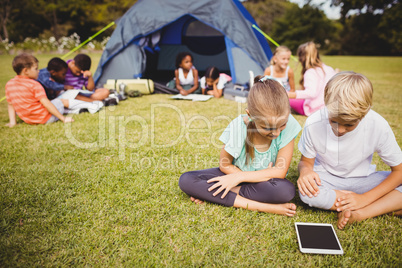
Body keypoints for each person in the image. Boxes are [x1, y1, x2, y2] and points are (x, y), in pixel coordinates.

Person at [179, 76, 302, 216]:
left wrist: (240, 178)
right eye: (267, 128)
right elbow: (224, 164)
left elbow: (279, 171)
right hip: (245, 177)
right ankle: (267, 207)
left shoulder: (289, 125)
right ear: (250, 115)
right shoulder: (238, 127)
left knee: (285, 190)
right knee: (186, 180)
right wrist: (241, 176)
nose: (276, 132)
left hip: (260, 182)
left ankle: (217, 193)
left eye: (282, 125)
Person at [297, 71, 402, 229]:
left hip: (363, 180)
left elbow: (399, 171)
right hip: (326, 180)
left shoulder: (378, 125)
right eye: (334, 121)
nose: (339, 130)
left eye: (349, 125)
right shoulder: (313, 122)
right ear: (326, 104)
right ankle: (377, 207)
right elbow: (305, 162)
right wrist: (305, 172)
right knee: (307, 193)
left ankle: (361, 212)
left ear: (364, 113)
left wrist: (364, 199)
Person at [5, 53, 74, 126]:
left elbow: (10, 104)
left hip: (28, 120)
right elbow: (46, 103)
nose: (38, 71)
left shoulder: (9, 84)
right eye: (36, 68)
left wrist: (12, 123)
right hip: (46, 119)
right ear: (26, 71)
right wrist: (63, 118)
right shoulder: (34, 84)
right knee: (60, 102)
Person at [37, 57, 103, 114]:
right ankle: (93, 104)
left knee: (103, 92)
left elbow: (90, 88)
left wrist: (89, 77)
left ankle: (87, 105)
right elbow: (50, 85)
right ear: (53, 73)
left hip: (77, 93)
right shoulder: (44, 76)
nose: (64, 76)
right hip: (62, 96)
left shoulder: (56, 73)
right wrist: (65, 87)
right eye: (63, 74)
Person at [287, 41, 336, 116]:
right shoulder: (329, 69)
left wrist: (290, 94)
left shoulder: (310, 72)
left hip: (314, 109)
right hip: (329, 107)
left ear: (301, 58)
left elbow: (311, 93)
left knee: (285, 99)